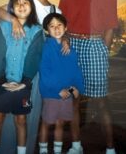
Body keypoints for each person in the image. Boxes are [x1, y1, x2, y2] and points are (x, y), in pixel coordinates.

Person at [0, 0, 66, 154]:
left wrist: (64, 40)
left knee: (30, 113)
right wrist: (14, 20)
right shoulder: (25, 1)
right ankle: (5, 149)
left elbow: (58, 34)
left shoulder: (55, 9)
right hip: (18, 67)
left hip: (41, 67)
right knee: (8, 114)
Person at [59, 0, 118, 154]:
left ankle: (110, 148)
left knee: (101, 101)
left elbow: (110, 25)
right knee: (73, 100)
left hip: (95, 45)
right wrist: (64, 40)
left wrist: (104, 50)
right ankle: (76, 146)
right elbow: (61, 24)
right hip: (72, 45)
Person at [0, 0, 44, 154]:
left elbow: (35, 57)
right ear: (11, 8)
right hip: (2, 82)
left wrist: (25, 82)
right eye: (17, 3)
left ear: (31, 8)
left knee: (21, 120)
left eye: (25, 3)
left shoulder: (36, 30)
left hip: (23, 84)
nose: (21, 6)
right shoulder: (4, 27)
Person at [39, 13, 84, 154]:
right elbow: (44, 72)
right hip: (52, 93)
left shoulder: (71, 51)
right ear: (47, 30)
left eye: (59, 25)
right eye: (52, 26)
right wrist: (58, 89)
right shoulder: (46, 48)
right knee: (47, 123)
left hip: (68, 93)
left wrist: (77, 87)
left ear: (65, 28)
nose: (56, 29)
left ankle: (57, 151)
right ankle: (43, 150)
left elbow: (76, 71)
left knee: (60, 122)